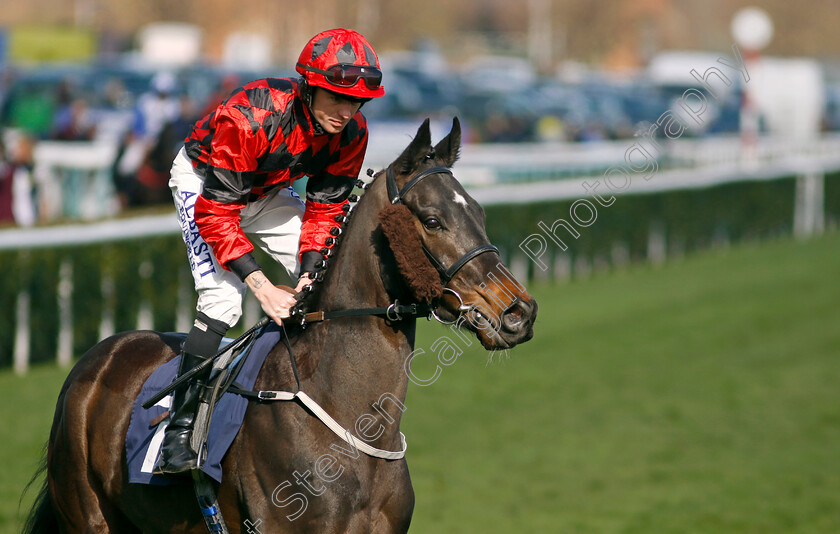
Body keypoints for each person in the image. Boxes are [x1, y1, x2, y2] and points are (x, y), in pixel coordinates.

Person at [157, 28, 385, 475]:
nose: (347, 111)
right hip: (206, 187)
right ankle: (178, 433)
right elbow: (217, 214)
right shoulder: (250, 116)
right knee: (223, 300)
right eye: (338, 97)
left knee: (329, 271)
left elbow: (326, 208)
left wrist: (308, 272)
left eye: (357, 101)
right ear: (310, 87)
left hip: (261, 193)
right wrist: (261, 286)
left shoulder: (351, 132)